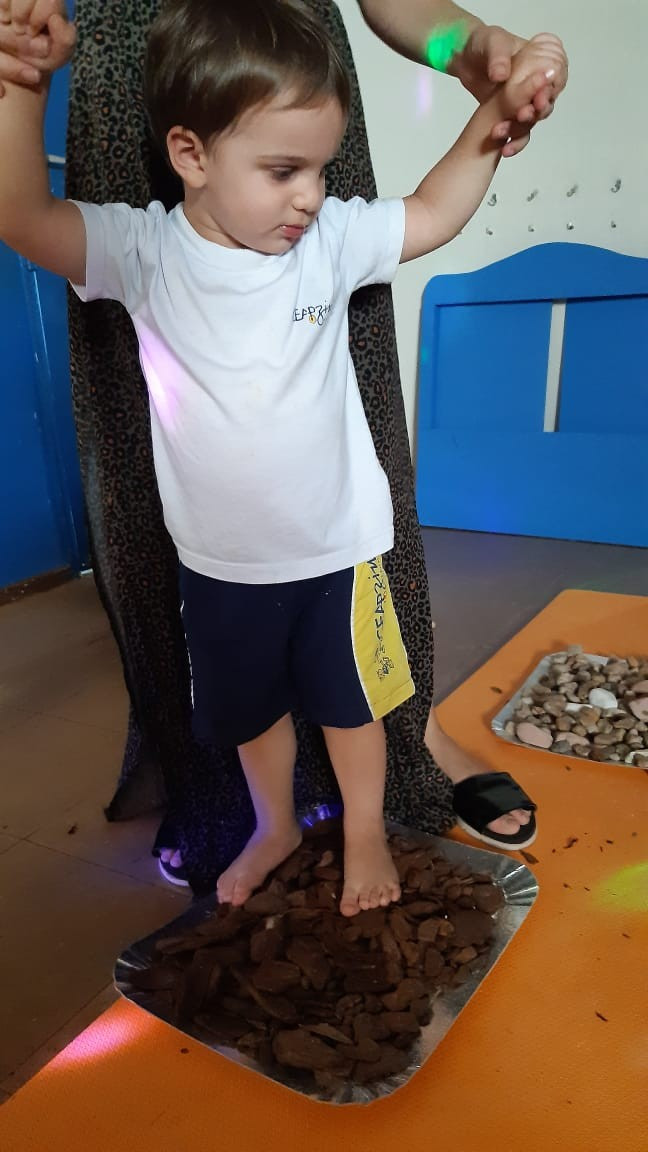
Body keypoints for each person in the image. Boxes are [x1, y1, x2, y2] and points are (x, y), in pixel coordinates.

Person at [0, 0, 562, 911]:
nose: (310, 195)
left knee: (353, 709)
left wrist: (491, 124)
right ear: (191, 155)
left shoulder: (327, 241)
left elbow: (430, 212)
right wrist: (21, 86)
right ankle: (272, 826)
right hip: (220, 564)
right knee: (252, 716)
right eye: (283, 170)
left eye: (321, 168)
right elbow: (23, 214)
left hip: (338, 553)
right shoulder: (142, 251)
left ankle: (367, 830)